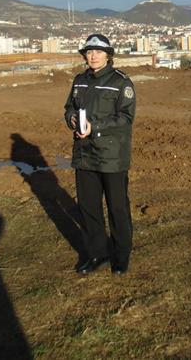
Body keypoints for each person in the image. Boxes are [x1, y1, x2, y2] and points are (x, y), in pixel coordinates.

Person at [63, 33, 136, 276]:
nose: (93, 56)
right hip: (84, 154)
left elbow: (125, 117)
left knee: (117, 207)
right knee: (88, 207)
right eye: (89, 52)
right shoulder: (79, 81)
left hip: (112, 155)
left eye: (98, 52)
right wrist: (72, 120)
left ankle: (121, 256)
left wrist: (95, 127)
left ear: (108, 55)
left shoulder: (121, 82)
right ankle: (97, 254)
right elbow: (69, 108)